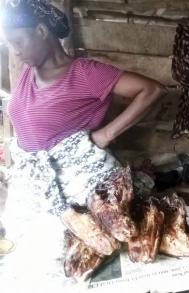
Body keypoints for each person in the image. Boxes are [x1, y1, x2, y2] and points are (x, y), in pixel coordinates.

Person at [0, 1, 166, 290]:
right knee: (26, 256)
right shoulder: (28, 72)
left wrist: (106, 134)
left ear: (41, 31)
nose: (15, 50)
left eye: (18, 41)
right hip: (37, 181)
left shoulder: (85, 72)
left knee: (68, 257)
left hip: (76, 179)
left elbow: (151, 90)